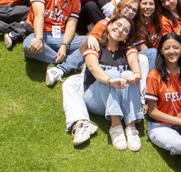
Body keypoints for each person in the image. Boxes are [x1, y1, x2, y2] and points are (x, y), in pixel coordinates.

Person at [61, 16, 143, 149]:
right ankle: (116, 126)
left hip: (119, 99)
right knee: (112, 74)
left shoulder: (128, 48)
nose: (120, 30)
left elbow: (134, 61)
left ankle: (131, 127)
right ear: (109, 25)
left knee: (128, 74)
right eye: (118, 25)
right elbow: (92, 66)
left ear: (126, 37)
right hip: (95, 99)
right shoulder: (95, 44)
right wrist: (109, 80)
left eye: (125, 30)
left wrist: (136, 74)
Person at [23, 0, 87, 87]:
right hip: (39, 33)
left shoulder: (75, 1)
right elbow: (39, 14)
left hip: (60, 38)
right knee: (28, 45)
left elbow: (71, 25)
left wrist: (64, 45)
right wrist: (39, 38)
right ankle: (71, 62)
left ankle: (62, 66)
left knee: (92, 40)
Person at [144, 33, 181, 157]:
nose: (172, 51)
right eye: (167, 48)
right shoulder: (154, 75)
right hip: (160, 125)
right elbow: (152, 112)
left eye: (176, 47)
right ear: (161, 51)